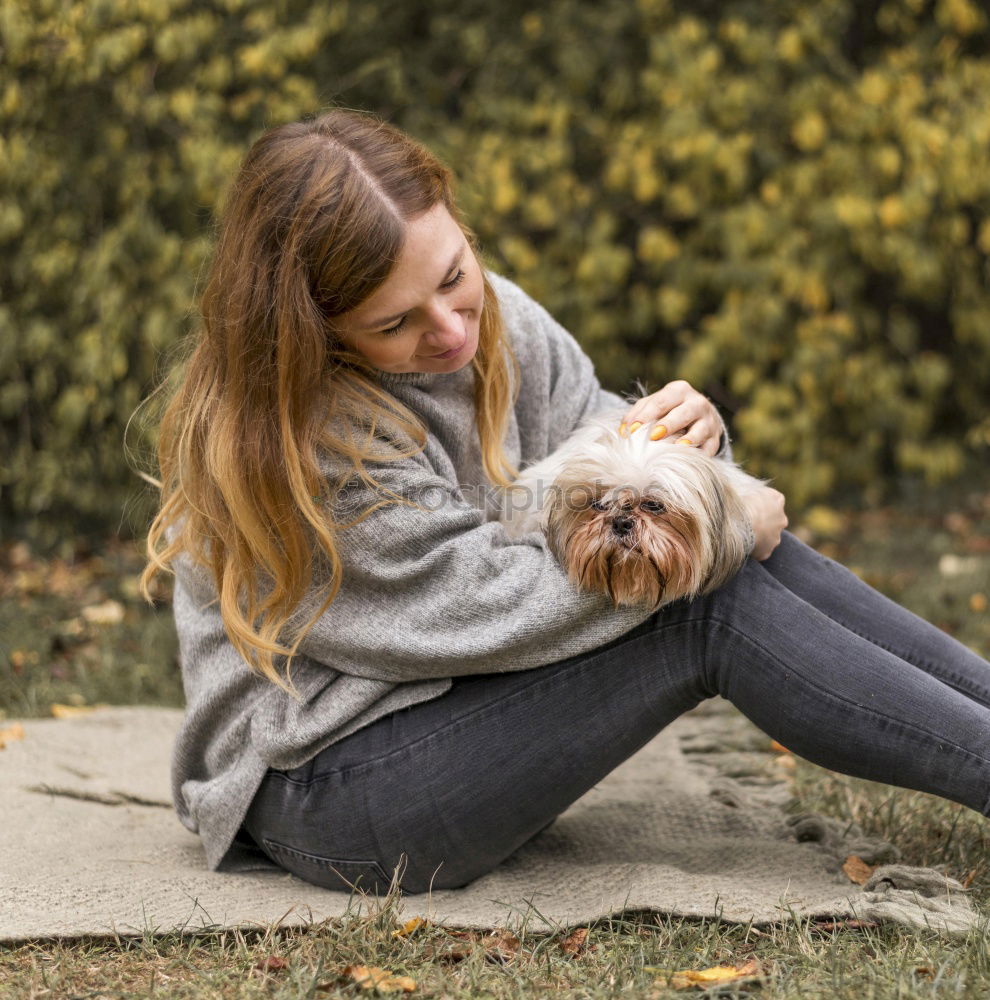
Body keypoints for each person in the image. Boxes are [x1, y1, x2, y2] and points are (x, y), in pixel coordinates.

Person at [142, 108, 990, 895]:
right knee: (702, 608)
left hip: (441, 710)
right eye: (395, 323)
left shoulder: (496, 321)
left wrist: (700, 452)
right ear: (312, 333)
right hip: (328, 787)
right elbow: (472, 608)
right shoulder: (308, 436)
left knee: (734, 557)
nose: (449, 330)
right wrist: (715, 533)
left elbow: (609, 460)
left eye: (454, 275)